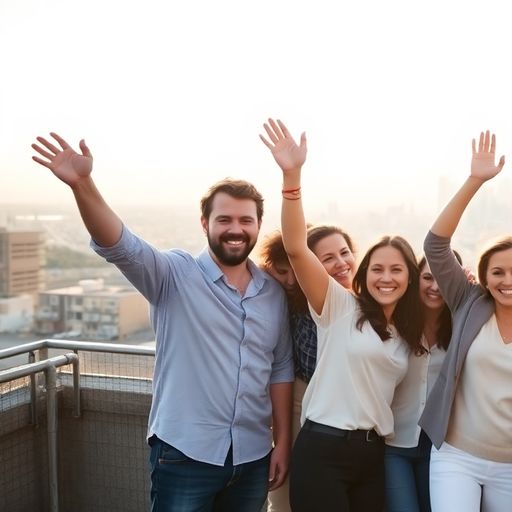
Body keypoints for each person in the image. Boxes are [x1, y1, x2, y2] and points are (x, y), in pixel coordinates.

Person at [31, 134, 293, 511]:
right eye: (224, 219)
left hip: (252, 457)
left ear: (257, 224)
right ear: (205, 223)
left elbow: (280, 367)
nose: (235, 229)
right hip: (184, 453)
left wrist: (281, 442)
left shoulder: (272, 292)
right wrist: (82, 184)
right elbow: (120, 245)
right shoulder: (174, 275)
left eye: (244, 220)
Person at [261, 118, 423, 511]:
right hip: (323, 447)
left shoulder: (407, 330)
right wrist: (292, 177)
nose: (386, 278)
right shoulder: (339, 306)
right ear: (365, 274)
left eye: (397, 269)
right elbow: (298, 247)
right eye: (378, 269)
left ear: (410, 277)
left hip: (373, 455)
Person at [420, 130, 512, 511]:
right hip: (456, 457)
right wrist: (475, 181)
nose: (507, 281)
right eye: (498, 272)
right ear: (484, 277)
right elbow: (435, 245)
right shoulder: (467, 303)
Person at [260, 225, 358, 512]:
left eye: (344, 253)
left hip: (351, 418)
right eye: (327, 258)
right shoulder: (293, 304)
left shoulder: (365, 300)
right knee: (285, 498)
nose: (290, 280)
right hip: (301, 402)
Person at [384, 253, 462, 512]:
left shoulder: (461, 329)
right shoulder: (395, 325)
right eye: (428, 277)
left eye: (444, 278)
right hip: (394, 444)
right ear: (415, 279)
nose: (435, 287)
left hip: (439, 448)